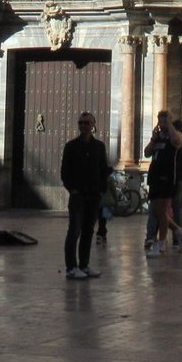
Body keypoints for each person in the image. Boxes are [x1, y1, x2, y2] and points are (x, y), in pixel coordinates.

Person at [60, 111, 109, 279]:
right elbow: (65, 171)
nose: (84, 126)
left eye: (87, 123)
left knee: (88, 231)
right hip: (78, 195)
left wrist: (102, 189)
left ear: (93, 125)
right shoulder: (71, 146)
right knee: (74, 230)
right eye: (81, 122)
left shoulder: (99, 147)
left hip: (94, 195)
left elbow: (103, 169)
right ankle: (71, 267)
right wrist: (71, 188)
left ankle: (84, 265)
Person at [143, 111, 182, 254]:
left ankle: (162, 242)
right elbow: (146, 153)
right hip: (154, 176)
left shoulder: (176, 136)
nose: (163, 124)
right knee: (156, 210)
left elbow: (176, 142)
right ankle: (179, 231)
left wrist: (170, 126)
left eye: (166, 121)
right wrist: (153, 139)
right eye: (161, 121)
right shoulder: (157, 138)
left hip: (167, 177)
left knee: (162, 209)